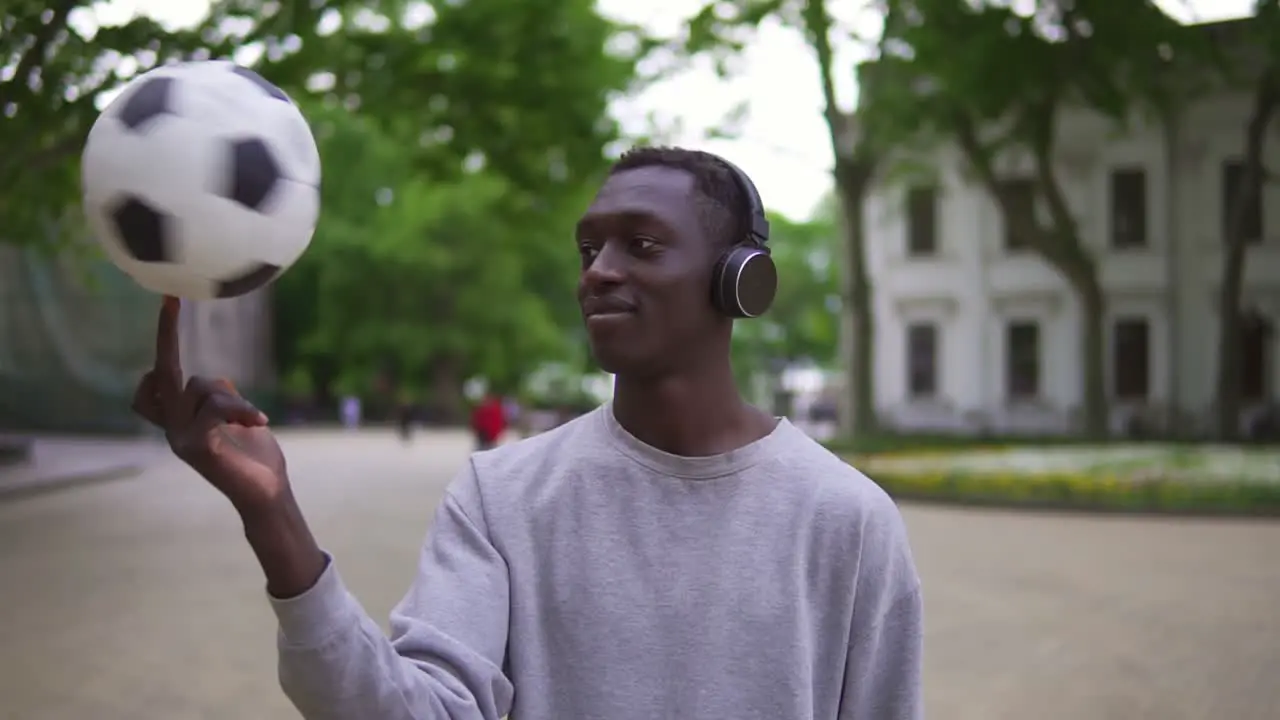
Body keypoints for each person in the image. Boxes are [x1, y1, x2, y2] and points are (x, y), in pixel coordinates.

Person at [130, 147, 923, 719]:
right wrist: (275, 518)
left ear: (742, 281)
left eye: (641, 245)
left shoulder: (845, 519)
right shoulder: (500, 497)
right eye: (589, 248)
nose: (598, 270)